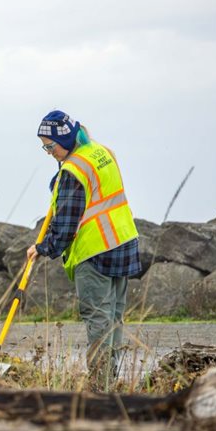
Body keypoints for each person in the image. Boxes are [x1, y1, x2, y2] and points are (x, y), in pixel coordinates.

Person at [27, 111, 141, 391]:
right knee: (113, 317)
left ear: (63, 139)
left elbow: (65, 225)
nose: (49, 153)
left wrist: (42, 248)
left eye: (50, 146)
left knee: (99, 320)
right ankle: (110, 381)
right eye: (45, 147)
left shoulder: (73, 170)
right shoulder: (102, 152)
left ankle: (100, 387)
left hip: (96, 250)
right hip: (123, 241)